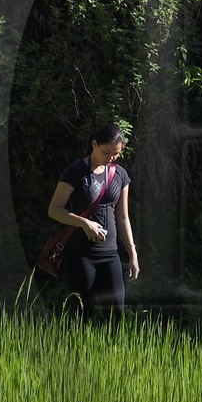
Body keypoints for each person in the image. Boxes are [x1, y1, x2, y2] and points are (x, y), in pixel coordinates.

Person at [46, 122, 140, 318]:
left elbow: (123, 217)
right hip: (81, 254)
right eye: (107, 152)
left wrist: (132, 253)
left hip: (110, 253)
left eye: (116, 154)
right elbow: (54, 210)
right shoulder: (75, 171)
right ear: (94, 144)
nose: (111, 158)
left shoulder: (120, 174)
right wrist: (84, 222)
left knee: (116, 314)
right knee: (82, 314)